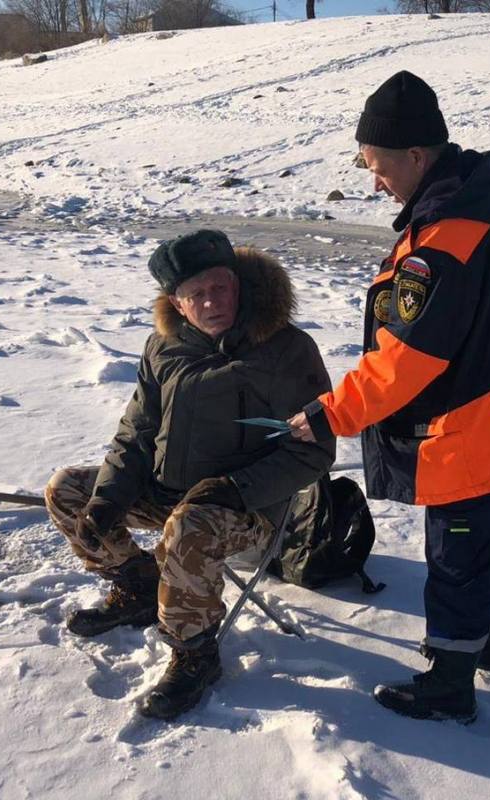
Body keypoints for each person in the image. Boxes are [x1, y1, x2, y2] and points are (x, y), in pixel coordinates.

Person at [289, 71, 490, 723]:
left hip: (471, 425)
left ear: (416, 155)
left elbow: (408, 359)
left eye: (379, 168)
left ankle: (449, 684)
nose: (375, 183)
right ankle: (487, 647)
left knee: (458, 558)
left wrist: (332, 413)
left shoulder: (446, 237)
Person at [46, 229, 335, 720]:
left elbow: (314, 452)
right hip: (166, 492)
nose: (211, 302)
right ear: (177, 304)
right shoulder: (163, 346)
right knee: (69, 491)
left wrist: (235, 489)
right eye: (195, 294)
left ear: (237, 284)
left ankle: (194, 652)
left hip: (245, 508)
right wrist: (109, 498)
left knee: (189, 526)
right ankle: (137, 585)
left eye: (219, 287)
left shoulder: (286, 349)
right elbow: (137, 433)